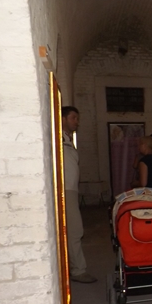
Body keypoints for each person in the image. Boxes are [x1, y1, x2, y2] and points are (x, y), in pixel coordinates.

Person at [61, 106, 97, 284]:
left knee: (72, 230)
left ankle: (70, 266)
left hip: (71, 190)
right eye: (73, 118)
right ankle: (78, 270)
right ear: (63, 119)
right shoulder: (56, 139)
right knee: (75, 230)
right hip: (64, 190)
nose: (77, 122)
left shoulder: (67, 140)